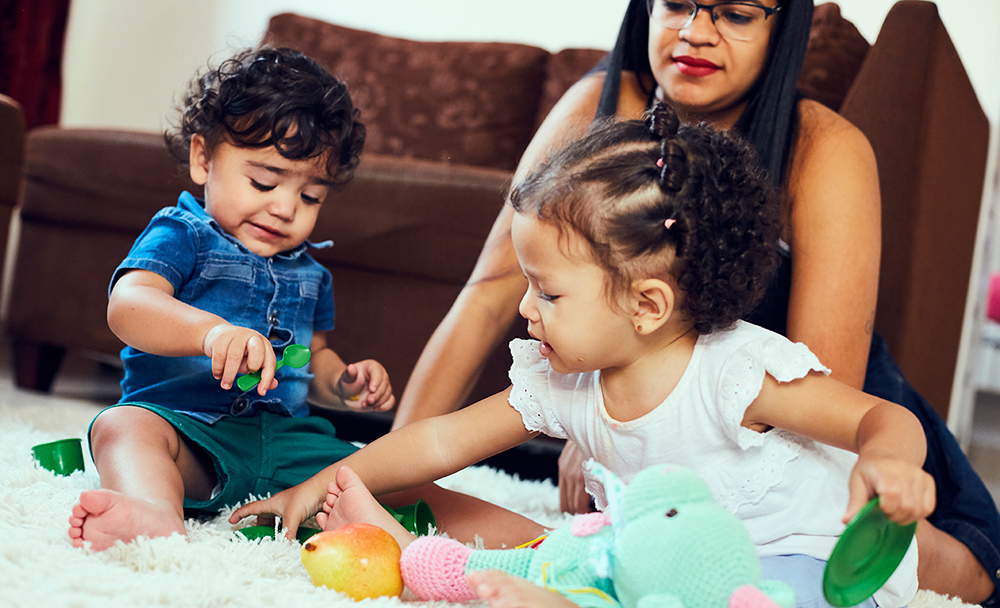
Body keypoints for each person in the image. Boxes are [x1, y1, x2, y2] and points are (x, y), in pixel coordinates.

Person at [391, 0, 1000, 603]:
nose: (695, 31)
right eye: (677, 4)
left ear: (781, 28)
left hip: (797, 424)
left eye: (735, 14)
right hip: (659, 413)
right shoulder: (596, 105)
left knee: (941, 565)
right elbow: (486, 297)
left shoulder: (823, 144)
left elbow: (821, 398)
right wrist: (396, 470)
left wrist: (611, 436)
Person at [232, 105, 934, 608]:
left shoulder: (734, 372)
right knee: (437, 497)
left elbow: (882, 419)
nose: (526, 308)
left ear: (647, 305)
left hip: (803, 567)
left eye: (548, 292)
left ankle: (504, 583)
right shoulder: (564, 379)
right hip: (646, 560)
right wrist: (325, 481)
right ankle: (474, 564)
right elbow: (441, 441)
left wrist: (891, 463)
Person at [66, 46, 543, 552]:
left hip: (290, 444)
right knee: (121, 426)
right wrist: (211, 333)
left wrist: (342, 383)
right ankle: (153, 514)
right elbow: (129, 304)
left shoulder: (309, 271)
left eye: (310, 196)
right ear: (203, 159)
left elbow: (310, 357)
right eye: (263, 182)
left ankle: (544, 542)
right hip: (187, 434)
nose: (285, 208)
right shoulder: (183, 233)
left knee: (387, 477)